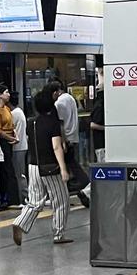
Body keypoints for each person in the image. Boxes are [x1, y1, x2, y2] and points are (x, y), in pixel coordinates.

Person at [11, 86, 72, 247]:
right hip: (50, 167)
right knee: (61, 201)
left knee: (35, 201)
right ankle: (58, 234)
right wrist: (63, 168)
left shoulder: (31, 122)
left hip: (33, 166)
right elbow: (56, 147)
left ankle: (20, 222)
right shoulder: (52, 123)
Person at [51, 78, 91, 207]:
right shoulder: (70, 98)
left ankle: (85, 185)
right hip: (72, 136)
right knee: (71, 164)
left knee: (69, 165)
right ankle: (80, 187)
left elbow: (60, 123)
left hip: (65, 138)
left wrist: (62, 140)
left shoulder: (59, 103)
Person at [0, 84, 18, 208]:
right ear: (0, 95)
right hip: (3, 141)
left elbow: (12, 125)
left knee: (9, 169)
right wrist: (11, 138)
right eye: (6, 92)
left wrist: (15, 136)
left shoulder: (6, 108)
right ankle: (9, 199)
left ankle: (11, 198)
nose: (8, 94)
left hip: (10, 139)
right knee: (7, 170)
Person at [9, 92, 28, 203]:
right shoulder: (20, 111)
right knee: (21, 173)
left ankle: (24, 197)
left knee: (19, 174)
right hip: (22, 146)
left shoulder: (13, 114)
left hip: (17, 147)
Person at [89, 74, 106, 162]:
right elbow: (92, 125)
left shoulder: (98, 103)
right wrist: (107, 129)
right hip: (101, 143)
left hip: (101, 142)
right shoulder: (100, 105)